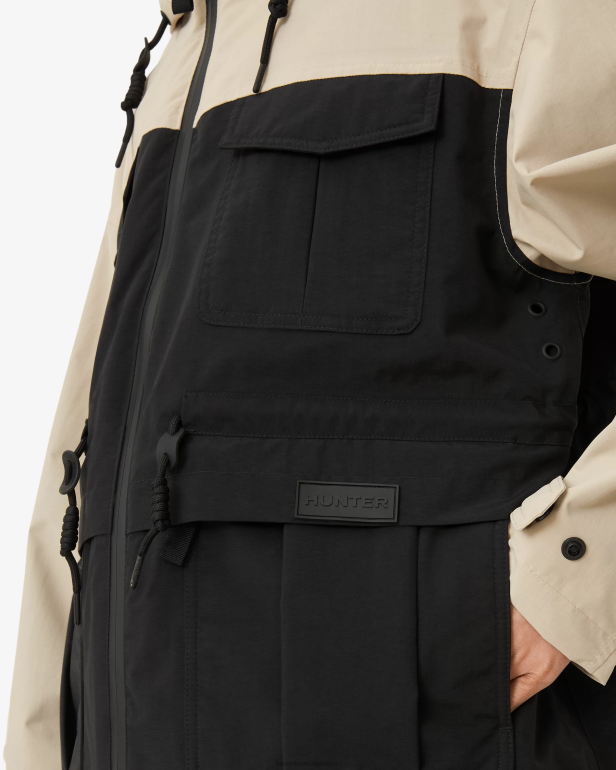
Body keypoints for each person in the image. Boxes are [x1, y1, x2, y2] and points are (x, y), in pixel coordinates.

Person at [5, 0, 616, 768]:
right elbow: (88, 463)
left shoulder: (526, 15)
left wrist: (577, 575)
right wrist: (40, 742)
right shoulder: (188, 50)